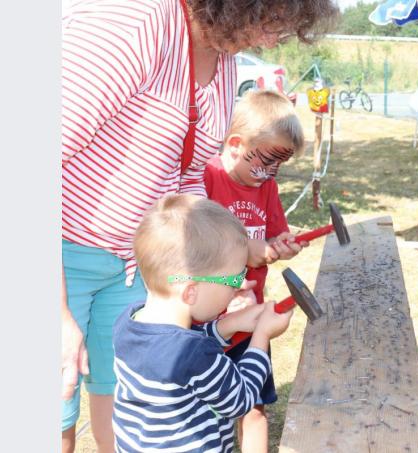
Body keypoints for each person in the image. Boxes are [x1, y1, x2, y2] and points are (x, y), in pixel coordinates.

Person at [60, 1, 337, 451]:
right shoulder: (136, 24)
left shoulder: (221, 54)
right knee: (55, 406)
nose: (273, 39)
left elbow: (186, 179)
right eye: (273, 20)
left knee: (123, 398)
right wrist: (56, 312)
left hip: (140, 264)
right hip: (62, 255)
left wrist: (225, 267)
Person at [112, 194, 294, 452]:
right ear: (191, 292)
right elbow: (239, 399)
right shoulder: (195, 353)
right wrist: (262, 336)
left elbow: (178, 340)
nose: (239, 286)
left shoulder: (129, 322)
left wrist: (228, 325)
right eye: (233, 279)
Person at [204, 89, 306, 452]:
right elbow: (194, 251)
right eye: (267, 161)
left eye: (280, 165)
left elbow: (276, 232)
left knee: (254, 408)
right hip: (207, 324)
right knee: (209, 416)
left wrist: (284, 243)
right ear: (235, 144)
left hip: (250, 319)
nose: (271, 173)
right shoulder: (207, 179)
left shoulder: (266, 186)